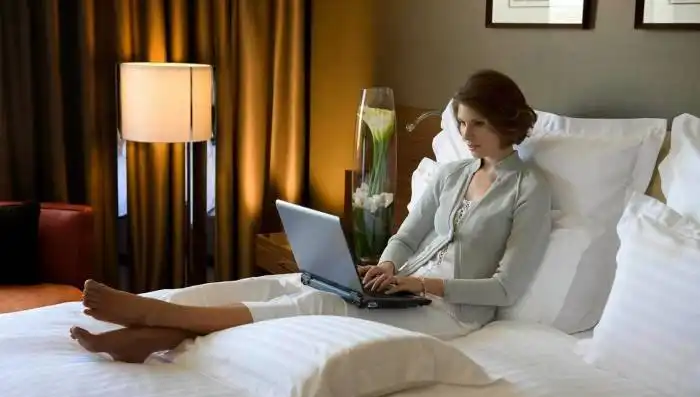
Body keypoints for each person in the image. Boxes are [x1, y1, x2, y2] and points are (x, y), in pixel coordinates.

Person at [70, 69, 552, 363]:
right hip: (402, 292)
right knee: (284, 286)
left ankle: (157, 317)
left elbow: (505, 289)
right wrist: (387, 266)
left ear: (506, 122)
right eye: (462, 123)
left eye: (478, 124)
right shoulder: (451, 173)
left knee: (319, 304)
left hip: (452, 314)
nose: (466, 135)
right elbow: (406, 237)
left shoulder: (528, 188)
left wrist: (420, 283)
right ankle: (152, 334)